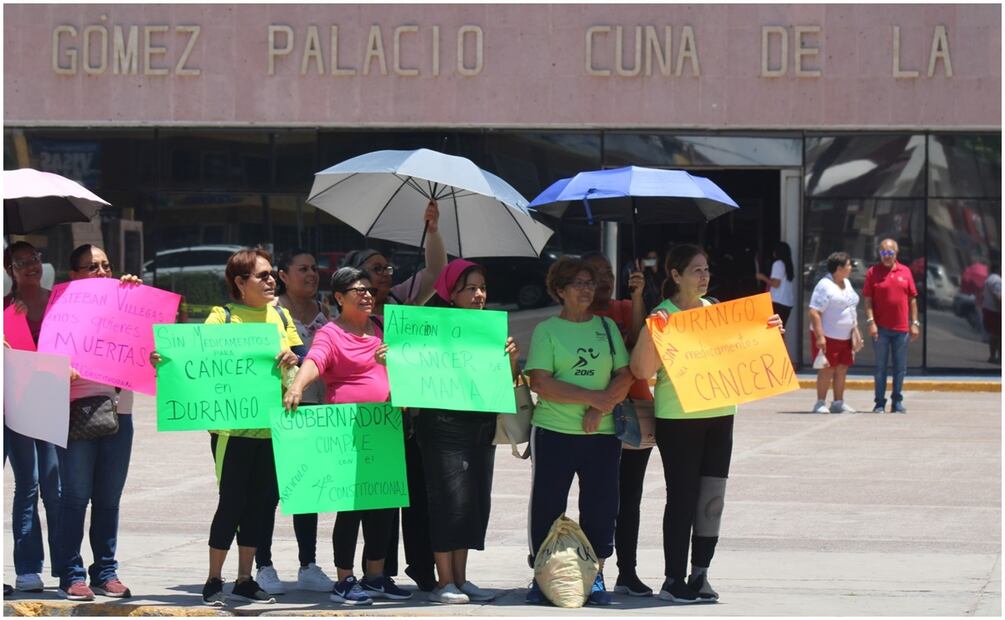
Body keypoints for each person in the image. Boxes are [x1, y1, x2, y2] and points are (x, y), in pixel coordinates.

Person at [630, 244, 783, 604]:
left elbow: (741, 350)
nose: (704, 276)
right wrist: (655, 334)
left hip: (720, 414)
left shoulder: (715, 310)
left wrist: (767, 329)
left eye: (706, 270)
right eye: (696, 270)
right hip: (679, 418)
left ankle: (701, 572)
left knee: (712, 497)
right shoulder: (663, 315)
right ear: (675, 276)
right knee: (682, 497)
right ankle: (673, 579)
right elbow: (641, 371)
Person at [283, 267, 412, 605]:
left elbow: (415, 368)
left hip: (384, 427)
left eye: (370, 289)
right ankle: (345, 578)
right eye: (359, 290)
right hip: (346, 432)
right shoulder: (331, 333)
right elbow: (315, 360)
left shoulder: (384, 327)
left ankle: (375, 576)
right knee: (351, 508)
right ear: (339, 298)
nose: (368, 294)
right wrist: (298, 385)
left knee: (383, 504)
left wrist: (395, 362)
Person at [339, 199, 445, 592]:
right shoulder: (342, 318)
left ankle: (402, 571)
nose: (384, 274)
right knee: (366, 502)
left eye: (387, 268)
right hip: (361, 422)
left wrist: (432, 232)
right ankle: (360, 573)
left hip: (405, 420)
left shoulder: (402, 300)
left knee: (403, 496)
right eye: (375, 268)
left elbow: (435, 271)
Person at [399, 259, 518, 604]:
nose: (480, 294)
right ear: (451, 293)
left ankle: (461, 579)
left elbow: (505, 382)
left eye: (482, 287)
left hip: (478, 427)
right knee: (446, 501)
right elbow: (411, 368)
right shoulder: (433, 326)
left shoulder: (489, 330)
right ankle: (444, 581)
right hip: (440, 426)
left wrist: (510, 358)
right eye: (471, 288)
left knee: (471, 502)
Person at [523, 256, 635, 607]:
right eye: (578, 284)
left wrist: (598, 408)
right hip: (554, 432)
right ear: (560, 290)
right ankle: (543, 574)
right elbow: (541, 382)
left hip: (600, 436)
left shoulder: (606, 328)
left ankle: (596, 573)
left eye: (590, 283)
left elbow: (626, 374)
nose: (587, 289)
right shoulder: (547, 331)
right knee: (547, 506)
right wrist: (595, 399)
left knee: (601, 505)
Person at [195, 247, 302, 606]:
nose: (272, 280)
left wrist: (294, 359)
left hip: (273, 430)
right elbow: (195, 359)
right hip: (233, 432)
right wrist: (161, 358)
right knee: (232, 503)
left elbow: (298, 368)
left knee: (262, 504)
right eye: (263, 275)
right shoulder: (222, 317)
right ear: (240, 283)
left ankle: (244, 578)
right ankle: (213, 578)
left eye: (272, 274)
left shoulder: (281, 316)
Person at [55, 244, 143, 601]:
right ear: (74, 275)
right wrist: (62, 367)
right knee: (75, 497)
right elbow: (46, 353)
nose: (103, 273)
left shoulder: (126, 302)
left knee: (109, 499)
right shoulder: (60, 309)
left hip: (119, 412)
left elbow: (147, 347)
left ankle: (105, 572)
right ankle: (71, 574)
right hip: (76, 412)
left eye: (106, 266)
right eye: (93, 267)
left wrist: (136, 299)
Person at [252, 249, 335, 595]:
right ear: (283, 275)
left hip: (315, 410)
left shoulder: (326, 312)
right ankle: (264, 565)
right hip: (276, 411)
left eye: (315, 268)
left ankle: (308, 564)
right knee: (266, 493)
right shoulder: (270, 311)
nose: (312, 274)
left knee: (308, 492)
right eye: (303, 269)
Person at [582, 252, 655, 597]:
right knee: (596, 499)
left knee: (630, 498)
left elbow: (641, 343)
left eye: (608, 272)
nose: (604, 279)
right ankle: (587, 571)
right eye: (595, 274)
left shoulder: (626, 308)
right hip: (590, 417)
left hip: (634, 410)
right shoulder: (576, 317)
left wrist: (639, 297)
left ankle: (628, 571)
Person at [3, 241, 61, 594]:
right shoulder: (5, 309)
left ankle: (67, 565)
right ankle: (27, 568)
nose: (31, 266)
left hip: (54, 401)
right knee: (28, 484)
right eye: (21, 262)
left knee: (55, 488)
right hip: (17, 405)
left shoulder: (60, 301)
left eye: (35, 258)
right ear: (9, 270)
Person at [863, 239, 919, 413]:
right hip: (881, 329)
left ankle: (897, 402)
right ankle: (879, 402)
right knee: (880, 368)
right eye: (884, 253)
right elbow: (867, 300)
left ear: (896, 253)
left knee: (900, 368)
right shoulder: (873, 272)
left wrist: (914, 323)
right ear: (879, 253)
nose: (887, 256)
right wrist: (871, 322)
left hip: (901, 329)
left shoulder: (906, 272)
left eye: (890, 253)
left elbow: (912, 299)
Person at [808, 252, 862, 414]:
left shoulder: (846, 282)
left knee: (842, 368)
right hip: (828, 335)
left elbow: (850, 308)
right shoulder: (824, 285)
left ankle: (838, 402)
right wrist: (820, 336)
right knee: (827, 369)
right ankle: (820, 403)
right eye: (848, 265)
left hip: (845, 336)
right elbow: (814, 311)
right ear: (839, 268)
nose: (851, 268)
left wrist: (856, 331)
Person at [756, 241, 796, 326]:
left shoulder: (778, 264)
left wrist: (763, 277)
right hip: (787, 302)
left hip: (778, 302)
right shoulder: (788, 264)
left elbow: (775, 284)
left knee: (775, 330)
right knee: (780, 329)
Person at [981, 256, 1001, 364]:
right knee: (997, 335)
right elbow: (999, 297)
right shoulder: (997, 280)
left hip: (989, 309)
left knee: (995, 334)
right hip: (995, 311)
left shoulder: (989, 279)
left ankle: (994, 356)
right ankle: (996, 357)